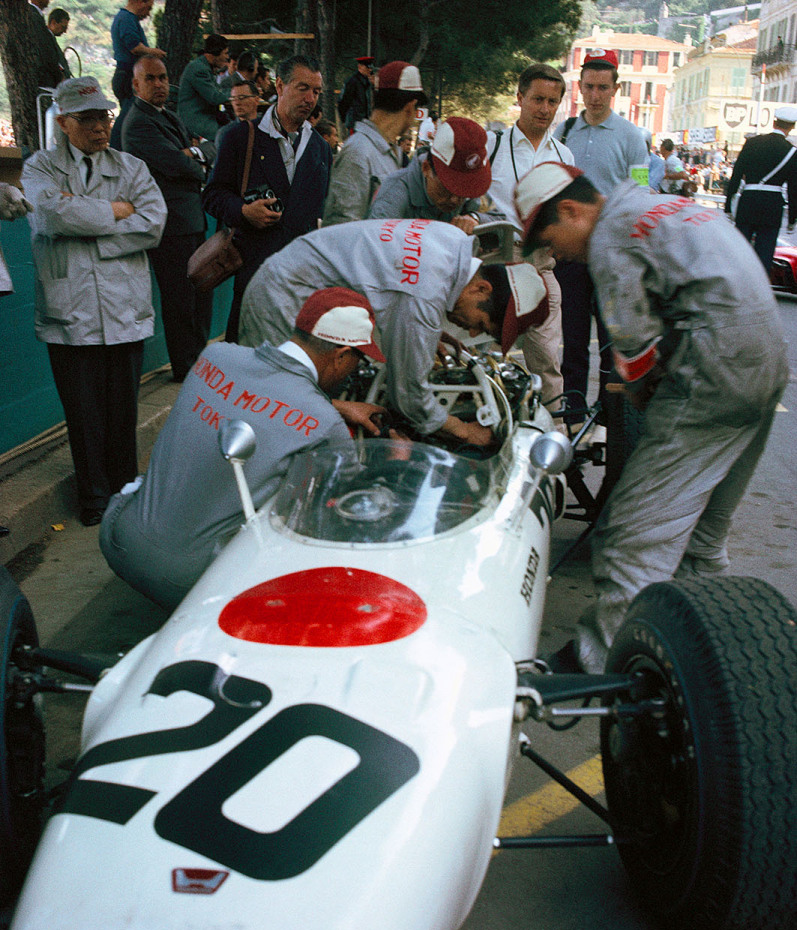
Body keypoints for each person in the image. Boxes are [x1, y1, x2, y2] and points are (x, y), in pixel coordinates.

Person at [515, 161, 787, 674]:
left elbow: (635, 348)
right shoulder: (663, 205)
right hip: (766, 360)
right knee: (702, 538)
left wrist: (643, 394)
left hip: (716, 366)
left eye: (549, 241)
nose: (555, 255)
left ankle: (600, 668)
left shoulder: (611, 235)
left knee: (630, 537)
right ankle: (703, 654)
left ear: (570, 211)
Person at [100, 288, 387, 609]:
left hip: (119, 537)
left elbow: (255, 399)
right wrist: (396, 457)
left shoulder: (215, 356)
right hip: (194, 585)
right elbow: (350, 503)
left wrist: (337, 407)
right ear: (342, 355)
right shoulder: (325, 424)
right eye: (359, 359)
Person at [239, 218, 549, 445]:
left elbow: (395, 286)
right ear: (481, 288)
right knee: (277, 409)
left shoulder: (453, 241)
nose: (469, 329)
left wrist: (427, 333)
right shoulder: (425, 295)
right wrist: (464, 430)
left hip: (293, 271)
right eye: (480, 323)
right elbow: (409, 398)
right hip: (285, 295)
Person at [21, 76, 167, 527]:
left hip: (124, 306)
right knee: (82, 413)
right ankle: (94, 499)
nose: (100, 126)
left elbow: (153, 223)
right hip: (69, 308)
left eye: (104, 116)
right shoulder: (40, 167)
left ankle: (125, 491)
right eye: (87, 118)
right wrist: (116, 211)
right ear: (63, 122)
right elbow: (49, 214)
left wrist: (85, 226)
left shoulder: (131, 167)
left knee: (122, 410)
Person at [203, 53, 332, 342]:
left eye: (316, 91)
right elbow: (212, 195)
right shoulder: (241, 137)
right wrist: (243, 211)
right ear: (280, 86)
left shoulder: (320, 149)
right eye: (303, 88)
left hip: (301, 286)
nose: (310, 98)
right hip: (255, 278)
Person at [552, 49, 648, 422]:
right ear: (580, 87)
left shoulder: (631, 136)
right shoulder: (564, 133)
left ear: (615, 89)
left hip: (614, 255)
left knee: (612, 340)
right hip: (571, 254)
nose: (595, 96)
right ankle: (574, 414)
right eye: (589, 87)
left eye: (603, 88)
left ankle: (610, 418)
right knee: (573, 339)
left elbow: (640, 192)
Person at [486, 62, 575, 409]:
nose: (545, 109)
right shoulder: (492, 146)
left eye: (552, 102)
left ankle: (556, 431)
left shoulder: (563, 155)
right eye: (538, 99)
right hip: (495, 262)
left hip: (541, 264)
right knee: (488, 356)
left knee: (548, 362)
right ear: (520, 98)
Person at [122, 54, 213, 382]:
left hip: (191, 219)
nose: (159, 84)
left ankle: (199, 363)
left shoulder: (169, 116)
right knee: (181, 301)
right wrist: (194, 160)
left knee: (200, 298)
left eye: (163, 77)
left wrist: (194, 154)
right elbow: (179, 165)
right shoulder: (138, 123)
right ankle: (186, 369)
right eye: (151, 78)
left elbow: (208, 149)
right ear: (136, 85)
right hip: (170, 226)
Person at [322, 61, 427, 226]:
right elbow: (341, 229)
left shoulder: (392, 152)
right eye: (416, 108)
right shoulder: (358, 152)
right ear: (410, 107)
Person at [368, 117, 492, 233]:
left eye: (464, 191)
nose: (455, 200)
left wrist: (475, 218)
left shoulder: (466, 191)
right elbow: (376, 242)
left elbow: (498, 217)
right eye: (447, 188)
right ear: (426, 168)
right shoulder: (393, 198)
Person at [725, 105, 797, 274]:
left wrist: (728, 205)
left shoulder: (752, 143)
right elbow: (794, 188)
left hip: (748, 200)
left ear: (774, 123)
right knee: (765, 253)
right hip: (772, 205)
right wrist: (792, 218)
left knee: (740, 249)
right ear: (792, 127)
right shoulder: (792, 152)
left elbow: (736, 175)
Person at [109, 0, 164, 148]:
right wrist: (154, 53)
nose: (148, 14)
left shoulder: (126, 18)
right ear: (140, 2)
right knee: (128, 116)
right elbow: (134, 47)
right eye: (149, 8)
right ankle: (117, 148)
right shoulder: (126, 18)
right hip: (127, 75)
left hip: (126, 75)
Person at [177, 34, 234, 143]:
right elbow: (214, 97)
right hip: (196, 121)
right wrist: (238, 94)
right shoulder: (199, 69)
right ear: (215, 53)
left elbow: (217, 92)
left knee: (235, 129)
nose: (227, 57)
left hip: (205, 117)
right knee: (229, 135)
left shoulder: (204, 67)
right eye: (225, 53)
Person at [216, 79, 261, 149]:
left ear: (256, 100)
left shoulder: (268, 129)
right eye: (233, 99)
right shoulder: (225, 133)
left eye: (242, 98)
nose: (237, 103)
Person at [338, 55, 374, 136]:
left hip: (364, 123)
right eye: (367, 67)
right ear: (360, 67)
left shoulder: (367, 83)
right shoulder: (352, 82)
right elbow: (344, 102)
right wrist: (345, 120)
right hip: (355, 123)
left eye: (371, 67)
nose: (370, 70)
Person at [47, 8, 71, 81]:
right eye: (63, 27)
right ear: (53, 22)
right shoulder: (45, 39)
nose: (65, 31)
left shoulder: (50, 38)